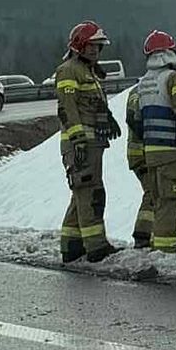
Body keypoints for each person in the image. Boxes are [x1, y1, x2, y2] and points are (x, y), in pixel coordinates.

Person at [55, 21, 121, 263]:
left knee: (81, 193)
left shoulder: (89, 72)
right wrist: (79, 139)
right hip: (80, 145)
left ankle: (72, 245)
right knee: (91, 193)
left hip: (92, 144)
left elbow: (92, 104)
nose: (95, 51)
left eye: (98, 46)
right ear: (79, 45)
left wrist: (108, 118)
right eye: (91, 46)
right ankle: (96, 246)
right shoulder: (68, 70)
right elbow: (67, 107)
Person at [134, 30, 176, 252]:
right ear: (172, 52)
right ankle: (165, 248)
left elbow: (138, 119)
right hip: (170, 151)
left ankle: (158, 243)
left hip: (151, 151)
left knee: (159, 200)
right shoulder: (172, 78)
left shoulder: (144, 82)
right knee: (172, 200)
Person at [124, 86, 154, 248]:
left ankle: (146, 234)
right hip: (147, 153)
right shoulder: (158, 89)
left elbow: (132, 118)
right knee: (154, 192)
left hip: (136, 153)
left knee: (152, 191)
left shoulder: (136, 90)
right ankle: (143, 235)